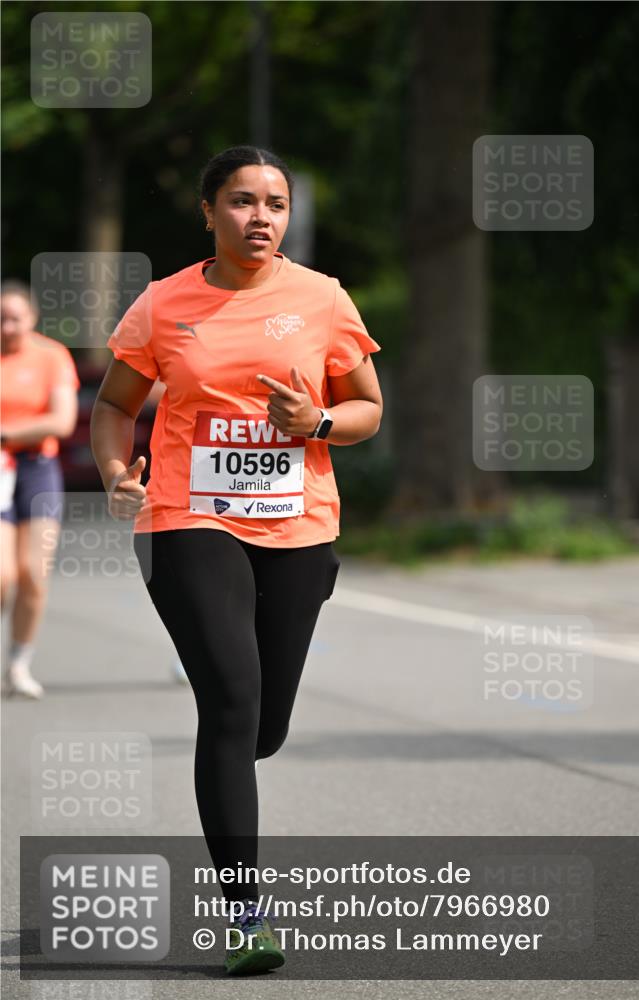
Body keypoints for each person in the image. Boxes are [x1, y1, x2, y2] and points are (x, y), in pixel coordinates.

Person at [90, 145, 383, 976]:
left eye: (276, 204)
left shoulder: (321, 299)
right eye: (243, 201)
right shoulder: (162, 303)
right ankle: (245, 916)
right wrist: (118, 474)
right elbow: (115, 407)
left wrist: (316, 422)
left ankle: (233, 765)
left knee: (262, 727)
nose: (261, 218)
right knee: (229, 698)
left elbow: (367, 408)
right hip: (186, 517)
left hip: (296, 527)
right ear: (208, 210)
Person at [1, 280, 79, 698]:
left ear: (31, 319)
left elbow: (61, 421)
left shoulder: (51, 356)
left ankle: (18, 663)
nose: (8, 327)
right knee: (2, 575)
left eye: (16, 318)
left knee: (33, 574)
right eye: (1, 319)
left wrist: (6, 433)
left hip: (36, 468)